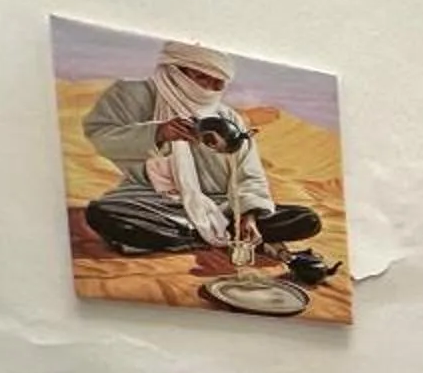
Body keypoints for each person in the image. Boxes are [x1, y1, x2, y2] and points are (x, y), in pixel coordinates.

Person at [82, 40, 333, 279]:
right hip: (155, 201)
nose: (209, 89)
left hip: (224, 206)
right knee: (103, 213)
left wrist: (248, 216)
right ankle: (215, 234)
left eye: (218, 84)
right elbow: (100, 135)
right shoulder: (133, 94)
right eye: (202, 77)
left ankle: (203, 234)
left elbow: (249, 173)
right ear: (175, 70)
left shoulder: (228, 117)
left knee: (306, 219)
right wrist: (157, 132)